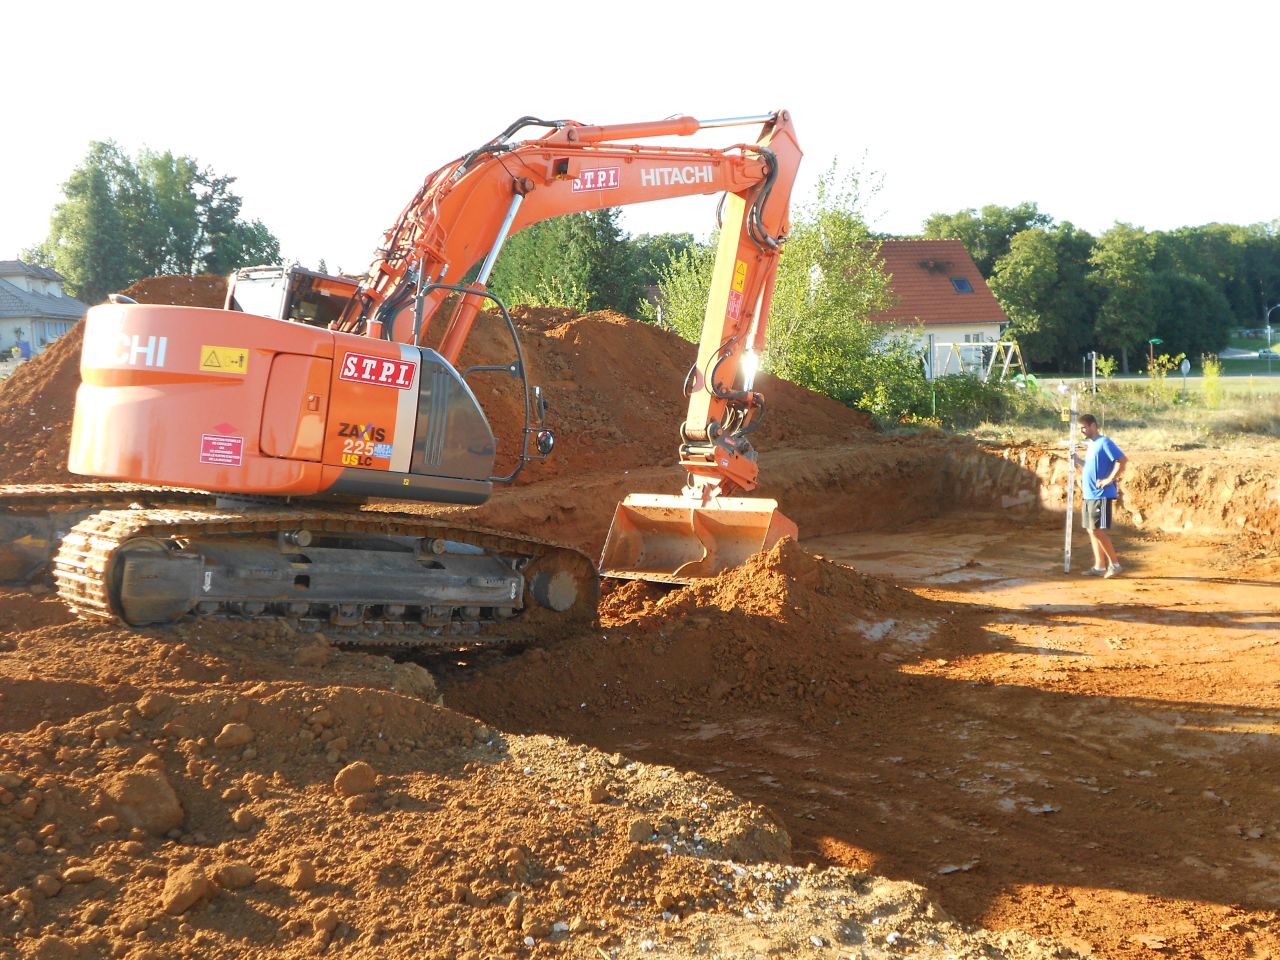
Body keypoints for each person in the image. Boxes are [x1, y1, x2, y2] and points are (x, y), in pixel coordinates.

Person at [1076, 413, 1127, 578]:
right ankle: (1099, 566)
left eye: (1084, 427)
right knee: (1091, 531)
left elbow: (1122, 460)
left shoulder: (1104, 442)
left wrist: (1108, 480)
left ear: (1093, 426)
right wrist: (1077, 460)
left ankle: (1115, 564)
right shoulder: (1092, 445)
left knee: (1096, 529)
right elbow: (1090, 467)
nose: (1082, 431)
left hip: (1101, 494)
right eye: (1080, 428)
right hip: (1090, 494)